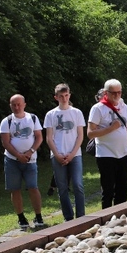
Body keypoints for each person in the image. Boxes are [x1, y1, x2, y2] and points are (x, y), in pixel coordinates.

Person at [87, 79, 127, 208]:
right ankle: (107, 219)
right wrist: (110, 129)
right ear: (105, 92)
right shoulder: (98, 108)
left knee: (122, 189)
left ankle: (121, 217)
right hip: (106, 154)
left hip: (123, 154)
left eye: (119, 92)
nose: (116, 95)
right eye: (113, 93)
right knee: (108, 189)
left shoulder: (123, 106)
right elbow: (90, 133)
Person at [0, 94, 44, 229]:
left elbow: (39, 137)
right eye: (14, 105)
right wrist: (18, 155)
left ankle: (38, 216)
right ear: (10, 106)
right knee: (15, 189)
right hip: (12, 160)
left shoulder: (33, 118)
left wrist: (30, 152)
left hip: (31, 160)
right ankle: (21, 217)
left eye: (19, 104)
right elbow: (5, 143)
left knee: (33, 187)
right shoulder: (6, 121)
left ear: (24, 104)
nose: (17, 107)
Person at [43, 83, 86, 221]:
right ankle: (68, 217)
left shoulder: (77, 112)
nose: (64, 98)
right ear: (56, 97)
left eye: (66, 95)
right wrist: (57, 154)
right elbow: (49, 138)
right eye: (61, 96)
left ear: (69, 95)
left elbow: (80, 135)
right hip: (58, 154)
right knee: (62, 188)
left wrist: (72, 154)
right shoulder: (51, 114)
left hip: (75, 154)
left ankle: (81, 216)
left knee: (78, 185)